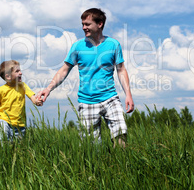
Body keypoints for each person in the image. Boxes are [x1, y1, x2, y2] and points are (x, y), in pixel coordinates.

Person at [37, 8, 134, 147]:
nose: (83, 27)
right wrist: (49, 88)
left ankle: (121, 166)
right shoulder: (77, 46)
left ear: (99, 24)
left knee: (121, 135)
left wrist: (128, 95)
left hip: (110, 97)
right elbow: (64, 70)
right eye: (82, 24)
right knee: (91, 146)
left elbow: (121, 70)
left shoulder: (113, 44)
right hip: (87, 101)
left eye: (87, 24)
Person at [0, 60, 42, 145]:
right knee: (3, 142)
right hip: (5, 121)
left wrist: (37, 101)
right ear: (8, 76)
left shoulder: (23, 86)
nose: (21, 73)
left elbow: (33, 98)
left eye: (20, 70)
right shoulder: (1, 90)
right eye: (17, 71)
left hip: (20, 123)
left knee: (19, 146)